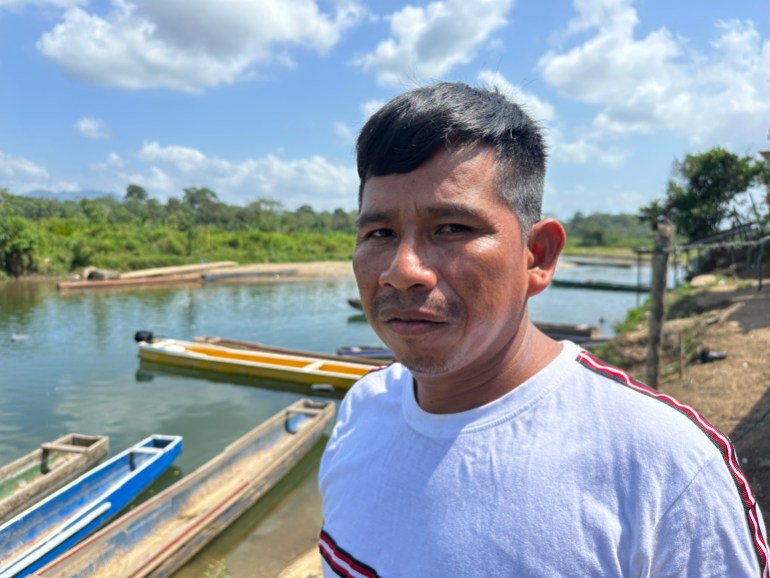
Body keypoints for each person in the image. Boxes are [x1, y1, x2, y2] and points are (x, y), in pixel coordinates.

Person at [317, 82, 768, 577]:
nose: (402, 270)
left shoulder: (664, 469)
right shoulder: (361, 410)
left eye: (453, 228)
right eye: (379, 233)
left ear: (538, 255)